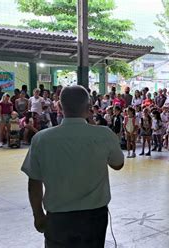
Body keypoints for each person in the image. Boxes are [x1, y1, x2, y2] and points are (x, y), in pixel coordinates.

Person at [21, 85, 124, 247]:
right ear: (89, 107)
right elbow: (118, 164)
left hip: (58, 219)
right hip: (94, 217)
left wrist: (38, 215)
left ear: (60, 107)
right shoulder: (104, 134)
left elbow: (34, 182)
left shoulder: (42, 139)